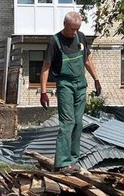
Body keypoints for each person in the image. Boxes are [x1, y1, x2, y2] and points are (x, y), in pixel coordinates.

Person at [39, 11, 102, 173]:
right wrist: (44, 92)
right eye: (72, 29)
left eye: (77, 29)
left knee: (78, 123)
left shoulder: (81, 37)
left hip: (81, 85)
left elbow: (87, 60)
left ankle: (73, 161)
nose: (74, 32)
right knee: (67, 122)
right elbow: (46, 67)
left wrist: (96, 79)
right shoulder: (55, 41)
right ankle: (62, 163)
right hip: (65, 85)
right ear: (65, 24)